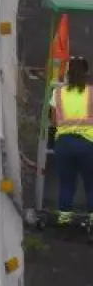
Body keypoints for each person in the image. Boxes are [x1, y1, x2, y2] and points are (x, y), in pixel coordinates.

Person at [52, 55, 93, 226]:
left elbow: (54, 120)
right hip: (87, 144)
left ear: (68, 72)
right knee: (91, 184)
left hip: (64, 143)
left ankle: (64, 220)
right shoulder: (91, 92)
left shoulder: (58, 92)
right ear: (86, 72)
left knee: (67, 183)